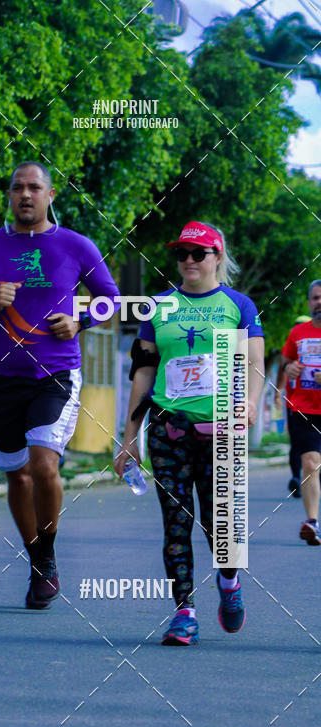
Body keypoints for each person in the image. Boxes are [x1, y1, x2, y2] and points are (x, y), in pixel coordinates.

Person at [0, 161, 119, 609]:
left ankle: (46, 554)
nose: (25, 195)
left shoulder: (76, 245)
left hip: (56, 374)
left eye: (34, 187)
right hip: (3, 378)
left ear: (50, 195)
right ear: (9, 195)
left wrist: (80, 320)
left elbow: (112, 300)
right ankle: (38, 562)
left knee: (44, 463)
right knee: (17, 475)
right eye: (17, 188)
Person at [114, 221, 265, 645]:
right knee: (175, 524)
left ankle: (229, 582)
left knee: (222, 527)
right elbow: (142, 374)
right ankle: (184, 613)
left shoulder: (238, 305)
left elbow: (254, 362)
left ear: (217, 256)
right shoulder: (159, 307)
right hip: (169, 429)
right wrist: (130, 437)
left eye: (198, 253)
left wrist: (251, 402)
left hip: (221, 430)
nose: (188, 261)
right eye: (182, 254)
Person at [279, 280, 321, 545]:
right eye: (315, 298)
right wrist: (289, 369)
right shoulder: (298, 333)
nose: (320, 303)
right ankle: (313, 522)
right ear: (309, 303)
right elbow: (285, 362)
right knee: (310, 463)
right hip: (303, 409)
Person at [275, 313, 312, 498]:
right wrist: (277, 391)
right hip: (295, 404)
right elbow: (283, 367)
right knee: (297, 444)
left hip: (315, 404)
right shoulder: (292, 345)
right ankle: (296, 478)